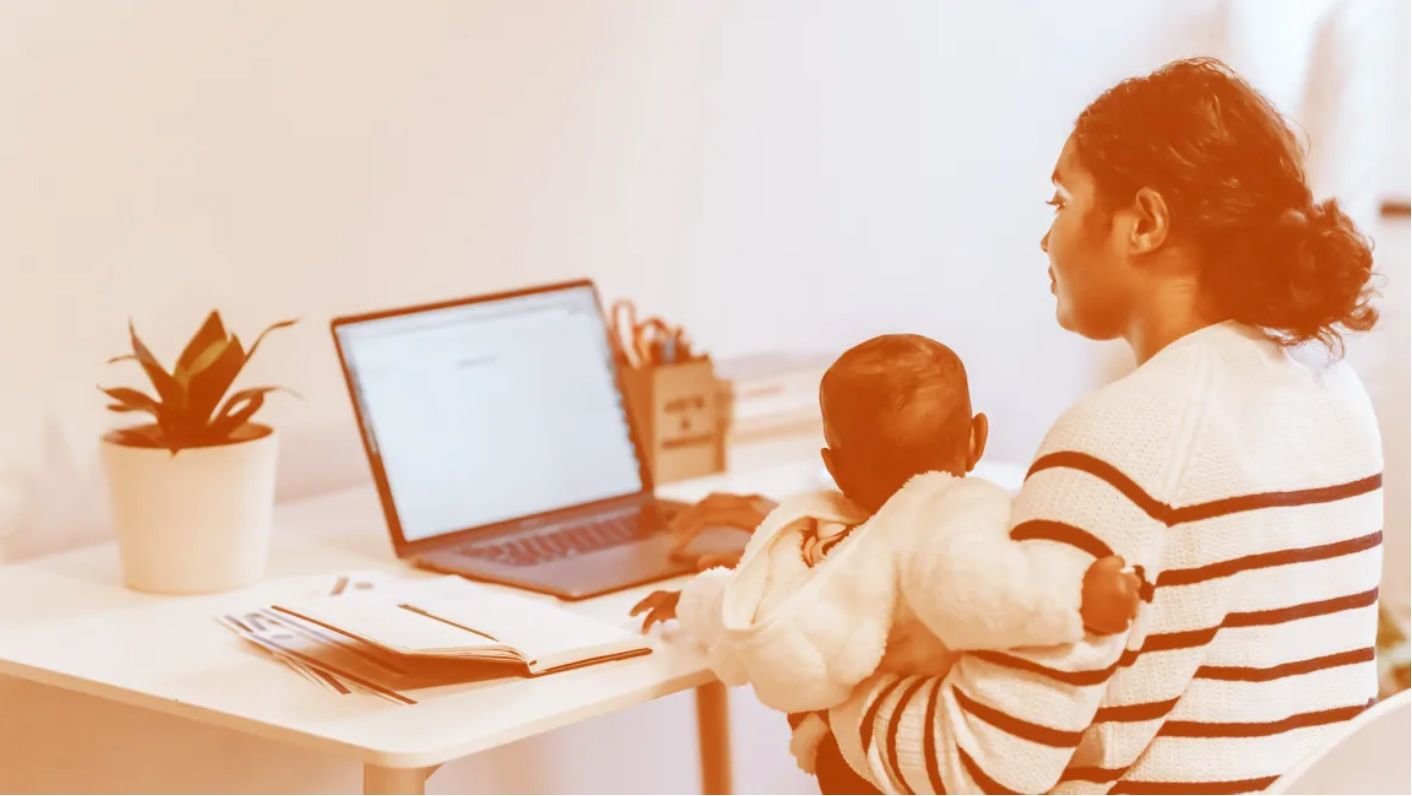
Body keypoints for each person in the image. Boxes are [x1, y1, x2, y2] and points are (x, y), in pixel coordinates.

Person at [666, 57, 1384, 794]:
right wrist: (858, 549)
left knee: (836, 756)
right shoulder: (1330, 390)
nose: (1047, 241)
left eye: (1060, 202)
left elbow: (981, 765)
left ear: (1144, 222)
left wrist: (819, 668)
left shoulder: (1124, 436)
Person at [632, 335, 1140, 789]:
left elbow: (749, 611)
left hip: (866, 757)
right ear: (978, 439)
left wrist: (688, 601)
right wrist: (1077, 597)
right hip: (913, 748)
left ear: (834, 468)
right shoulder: (954, 515)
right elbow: (983, 591)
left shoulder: (825, 547)